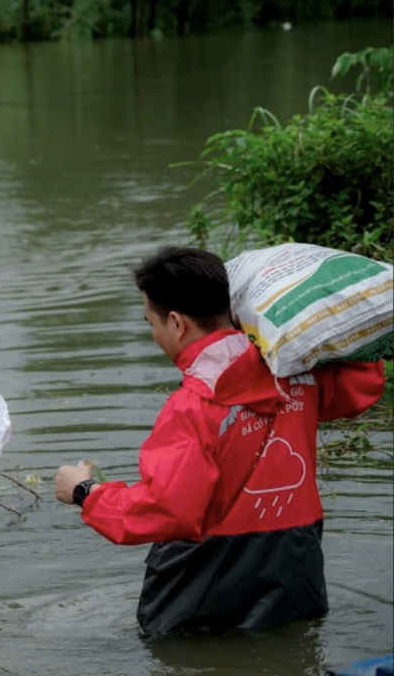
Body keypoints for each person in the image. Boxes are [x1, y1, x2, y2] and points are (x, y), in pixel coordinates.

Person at [53, 246, 386, 636]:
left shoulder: (191, 406)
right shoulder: (297, 374)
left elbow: (168, 511)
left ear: (176, 323)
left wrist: (85, 492)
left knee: (186, 674)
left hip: (207, 575)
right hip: (297, 559)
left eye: (151, 324)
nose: (155, 335)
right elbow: (363, 386)